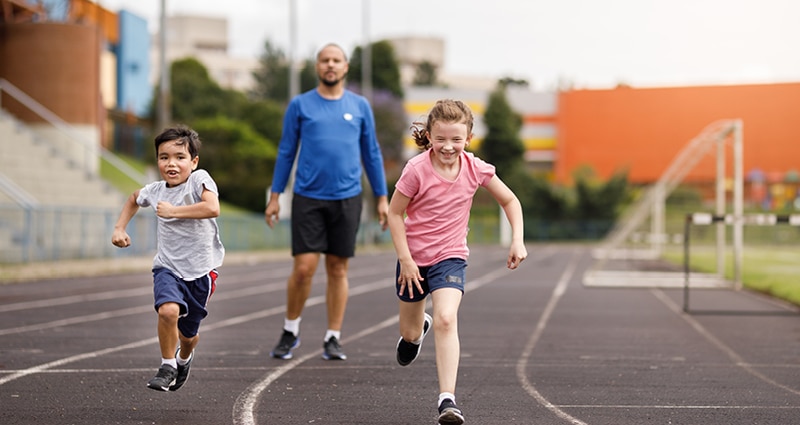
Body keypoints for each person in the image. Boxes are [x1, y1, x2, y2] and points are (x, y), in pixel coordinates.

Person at [387, 99, 527, 424]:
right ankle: (417, 329)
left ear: (468, 138)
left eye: (456, 139)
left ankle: (447, 400)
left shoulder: (476, 168)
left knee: (447, 319)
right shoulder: (416, 169)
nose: (448, 147)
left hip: (450, 257)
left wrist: (517, 239)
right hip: (413, 259)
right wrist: (405, 260)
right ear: (429, 136)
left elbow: (510, 200)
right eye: (441, 139)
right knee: (409, 333)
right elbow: (395, 213)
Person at [264, 43, 389, 361]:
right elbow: (286, 151)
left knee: (338, 268)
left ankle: (333, 337)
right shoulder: (300, 105)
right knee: (304, 268)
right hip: (308, 197)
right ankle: (290, 329)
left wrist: (382, 198)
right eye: (324, 60)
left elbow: (371, 153)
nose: (330, 65)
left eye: (336, 60)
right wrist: (276, 196)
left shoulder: (360, 106)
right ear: (317, 66)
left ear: (346, 67)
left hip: (347, 198)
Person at [111, 125, 225, 392]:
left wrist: (175, 211)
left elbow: (212, 207)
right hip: (168, 267)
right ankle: (167, 365)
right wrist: (119, 228)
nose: (171, 163)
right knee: (168, 310)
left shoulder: (199, 180)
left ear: (193, 162)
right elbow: (133, 198)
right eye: (164, 157)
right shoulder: (156, 189)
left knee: (188, 336)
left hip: (201, 271)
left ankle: (183, 357)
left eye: (179, 157)